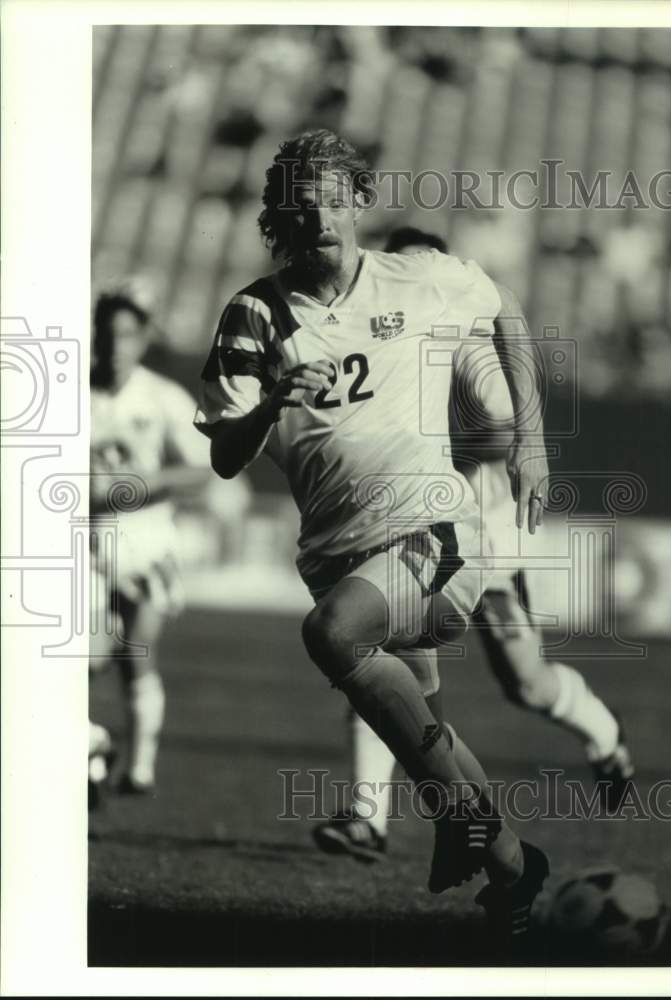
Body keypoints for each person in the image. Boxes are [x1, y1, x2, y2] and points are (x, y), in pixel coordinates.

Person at [194, 130, 552, 953]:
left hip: (435, 532)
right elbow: (223, 456)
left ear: (358, 201)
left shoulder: (421, 278)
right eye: (299, 196)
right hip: (336, 553)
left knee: (333, 635)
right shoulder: (255, 312)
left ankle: (453, 818)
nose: (316, 208)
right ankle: (511, 870)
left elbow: (507, 311)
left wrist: (531, 445)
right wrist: (267, 402)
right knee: (428, 729)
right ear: (279, 213)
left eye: (331, 193)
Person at [313, 227, 634, 860]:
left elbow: (499, 433)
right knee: (380, 657)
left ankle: (603, 735)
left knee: (526, 684)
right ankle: (367, 819)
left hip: (486, 537)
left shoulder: (463, 344)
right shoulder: (373, 344)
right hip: (413, 534)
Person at [89, 278, 211, 804]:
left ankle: (138, 767)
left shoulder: (162, 397)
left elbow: (202, 472)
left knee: (137, 654)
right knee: (83, 662)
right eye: (107, 334)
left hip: (147, 546)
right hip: (82, 548)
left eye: (127, 335)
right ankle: (92, 752)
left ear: (142, 340)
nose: (116, 346)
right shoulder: (72, 394)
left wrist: (139, 485)